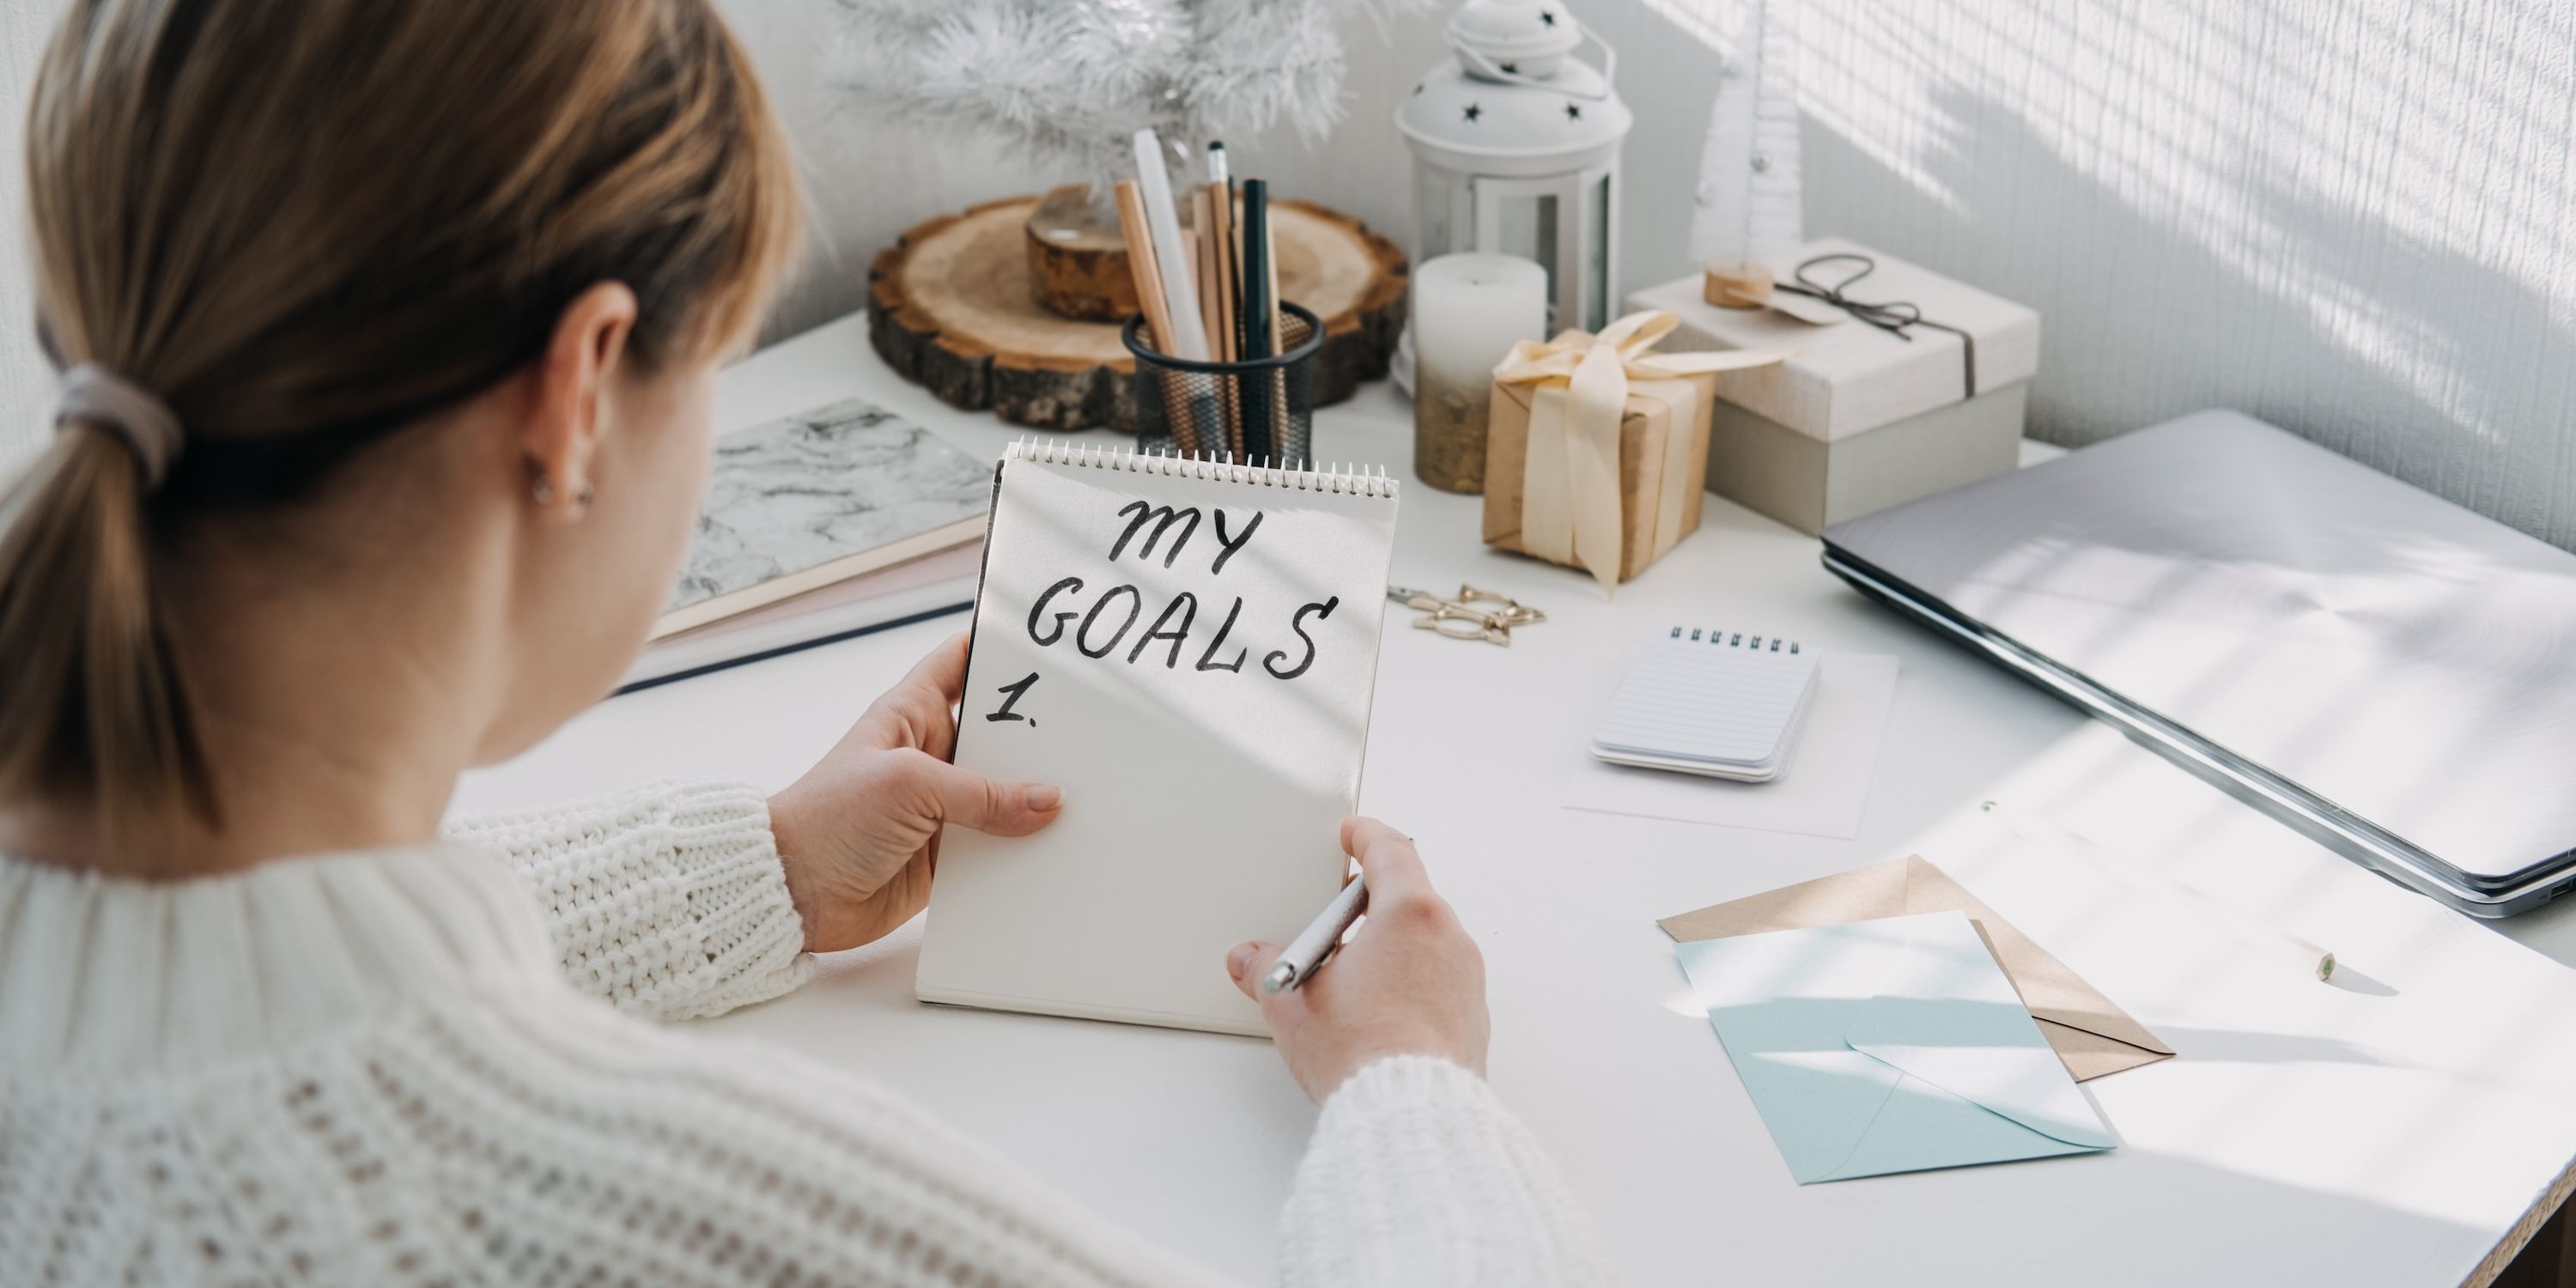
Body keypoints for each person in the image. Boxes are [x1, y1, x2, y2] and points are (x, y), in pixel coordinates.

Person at [0, 3, 1608, 1285]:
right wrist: (1415, 1087)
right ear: (582, 393)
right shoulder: (666, 1212)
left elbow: (248, 996)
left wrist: (765, 868)